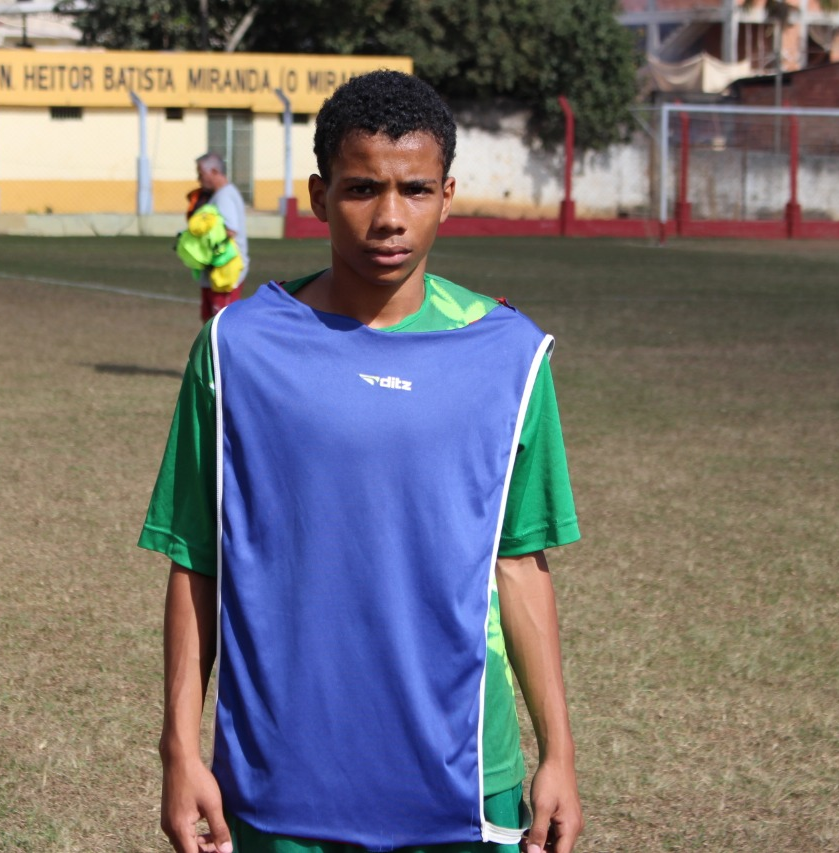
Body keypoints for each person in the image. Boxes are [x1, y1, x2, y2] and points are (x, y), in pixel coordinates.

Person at [140, 70, 583, 853]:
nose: (388, 218)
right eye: (360, 189)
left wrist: (560, 754)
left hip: (465, 782)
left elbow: (520, 563)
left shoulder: (512, 355)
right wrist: (180, 749)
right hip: (278, 783)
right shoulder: (236, 347)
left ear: (448, 194)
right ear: (318, 194)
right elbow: (194, 559)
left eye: (414, 190)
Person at [194, 152, 250, 322]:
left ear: (214, 171)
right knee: (209, 325)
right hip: (216, 273)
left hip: (225, 272)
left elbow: (230, 229)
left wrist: (198, 237)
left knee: (221, 326)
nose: (198, 179)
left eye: (201, 174)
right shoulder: (218, 195)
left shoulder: (224, 196)